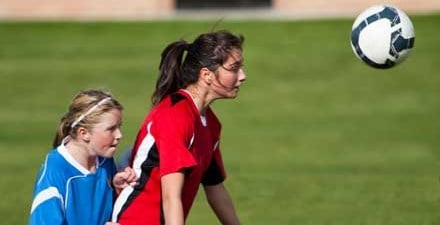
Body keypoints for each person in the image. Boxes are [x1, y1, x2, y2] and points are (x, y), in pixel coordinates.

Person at [112, 30, 246, 225]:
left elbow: (215, 187)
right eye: (234, 68)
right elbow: (171, 197)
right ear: (206, 75)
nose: (243, 76)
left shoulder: (210, 123)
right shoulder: (175, 116)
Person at [29, 89, 138, 225]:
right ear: (84, 133)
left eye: (119, 127)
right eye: (111, 129)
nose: (119, 135)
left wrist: (116, 188)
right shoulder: (54, 176)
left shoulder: (104, 160)